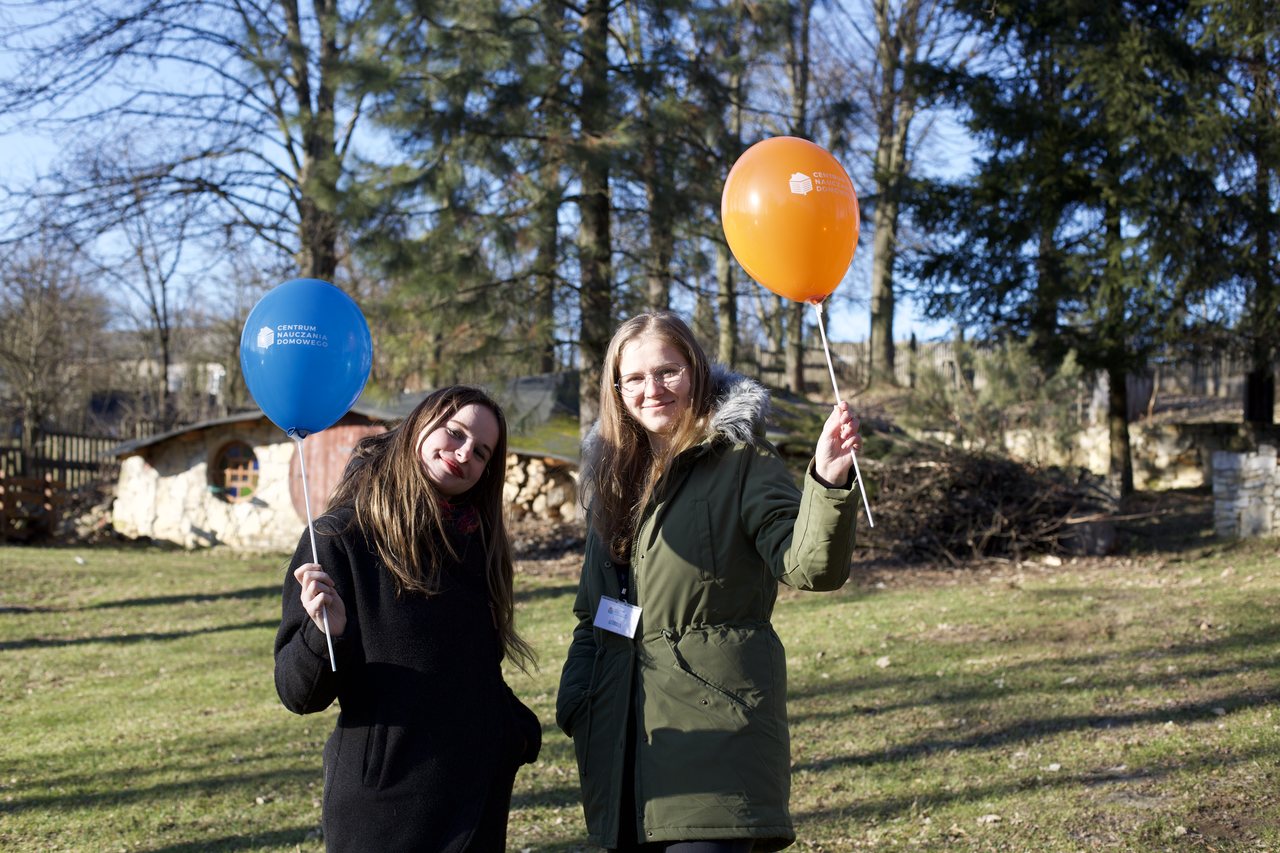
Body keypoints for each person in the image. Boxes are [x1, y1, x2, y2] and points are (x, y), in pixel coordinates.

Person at [555, 311, 863, 852]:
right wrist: (578, 699)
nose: (652, 389)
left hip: (717, 732)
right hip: (619, 740)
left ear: (695, 371)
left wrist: (826, 480)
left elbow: (810, 566)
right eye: (635, 378)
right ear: (616, 387)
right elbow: (592, 612)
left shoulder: (742, 460)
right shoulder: (610, 480)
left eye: (668, 371)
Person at [274, 385, 542, 852]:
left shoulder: (476, 543)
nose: (463, 454)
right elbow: (297, 694)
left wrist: (512, 730)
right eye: (454, 432)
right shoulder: (340, 537)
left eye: (481, 452)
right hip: (386, 811)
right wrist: (325, 633)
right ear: (419, 424)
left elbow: (474, 666)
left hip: (474, 806)